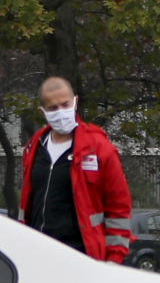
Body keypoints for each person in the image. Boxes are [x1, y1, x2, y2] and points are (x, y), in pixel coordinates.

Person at [19, 76, 134, 264]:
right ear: (42, 112)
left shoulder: (99, 148)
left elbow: (118, 209)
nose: (61, 112)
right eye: (53, 108)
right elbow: (27, 206)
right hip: (38, 257)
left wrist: (113, 261)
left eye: (65, 105)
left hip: (83, 257)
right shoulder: (34, 147)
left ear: (75, 102)